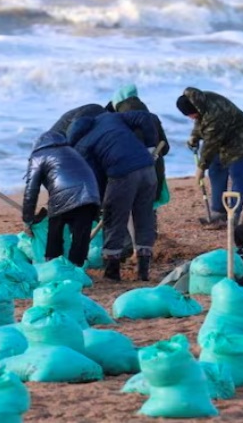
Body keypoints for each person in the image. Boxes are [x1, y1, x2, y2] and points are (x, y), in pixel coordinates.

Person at [68, 110, 160, 281]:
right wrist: (150, 146)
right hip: (148, 169)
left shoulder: (83, 145)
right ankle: (143, 270)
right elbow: (144, 117)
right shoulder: (111, 117)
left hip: (123, 175)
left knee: (114, 218)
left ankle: (112, 271)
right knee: (144, 217)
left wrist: (101, 203)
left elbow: (95, 177)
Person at [176, 87, 243, 225]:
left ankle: (237, 214)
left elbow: (210, 144)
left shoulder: (215, 114)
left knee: (237, 175)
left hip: (240, 140)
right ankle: (219, 212)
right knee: (215, 171)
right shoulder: (199, 102)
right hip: (222, 141)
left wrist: (201, 168)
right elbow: (200, 120)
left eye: (190, 115)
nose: (191, 118)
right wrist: (194, 136)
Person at [20, 131, 101, 267]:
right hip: (91, 195)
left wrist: (27, 220)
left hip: (63, 197)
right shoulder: (71, 151)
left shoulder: (38, 156)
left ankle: (53, 267)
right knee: (80, 238)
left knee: (55, 233)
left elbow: (31, 191)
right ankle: (76, 271)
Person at [111, 83, 171, 207]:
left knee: (130, 212)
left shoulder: (118, 120)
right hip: (154, 171)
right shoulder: (152, 118)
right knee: (148, 211)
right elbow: (165, 148)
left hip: (130, 174)